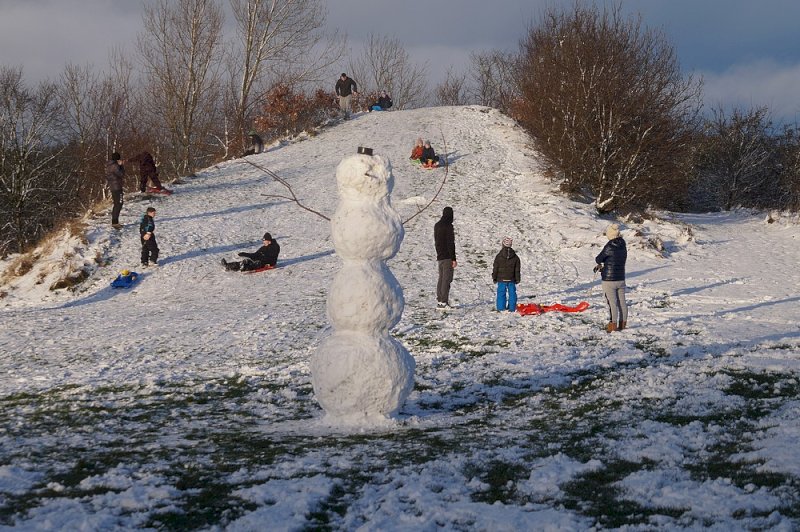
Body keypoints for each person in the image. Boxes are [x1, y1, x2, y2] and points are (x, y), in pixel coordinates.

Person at [594, 223, 627, 331]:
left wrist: (601, 266)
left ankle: (612, 326)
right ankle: (622, 325)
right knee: (622, 302)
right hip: (621, 278)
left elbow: (599, 259)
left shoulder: (609, 246)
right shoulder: (623, 245)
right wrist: (604, 267)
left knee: (612, 303)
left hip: (609, 280)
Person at [434, 206, 457, 309]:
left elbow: (437, 241)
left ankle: (440, 300)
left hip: (440, 256)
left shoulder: (437, 225)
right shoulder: (448, 226)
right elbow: (450, 243)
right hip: (447, 256)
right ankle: (444, 302)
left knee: (441, 278)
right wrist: (453, 258)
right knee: (446, 279)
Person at [492, 237, 521, 312]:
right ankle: (512, 307)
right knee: (512, 293)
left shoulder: (498, 256)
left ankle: (501, 308)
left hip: (501, 279)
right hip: (511, 279)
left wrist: (494, 277)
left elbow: (495, 268)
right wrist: (517, 279)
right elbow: (517, 270)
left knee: (501, 293)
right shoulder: (516, 257)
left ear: (502, 245)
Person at [105, 152, 125, 229]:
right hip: (117, 187)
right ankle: (115, 222)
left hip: (113, 186)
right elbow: (121, 174)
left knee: (117, 203)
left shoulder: (109, 165)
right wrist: (121, 166)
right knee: (119, 203)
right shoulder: (115, 166)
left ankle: (115, 221)